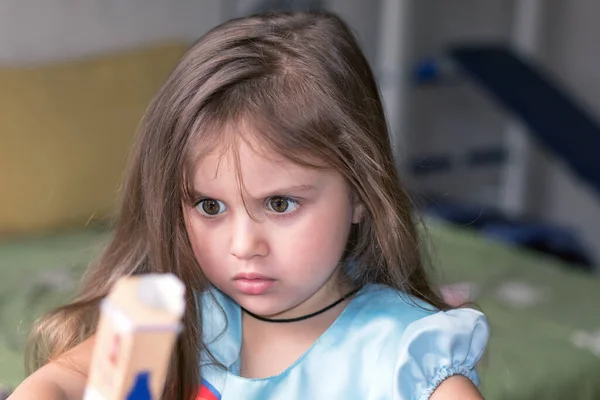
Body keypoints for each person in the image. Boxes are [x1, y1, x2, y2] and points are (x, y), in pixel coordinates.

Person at [9, 10, 489, 400]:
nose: (243, 247)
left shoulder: (404, 355)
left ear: (361, 194)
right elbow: (52, 384)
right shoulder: (188, 321)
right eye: (210, 207)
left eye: (279, 203)